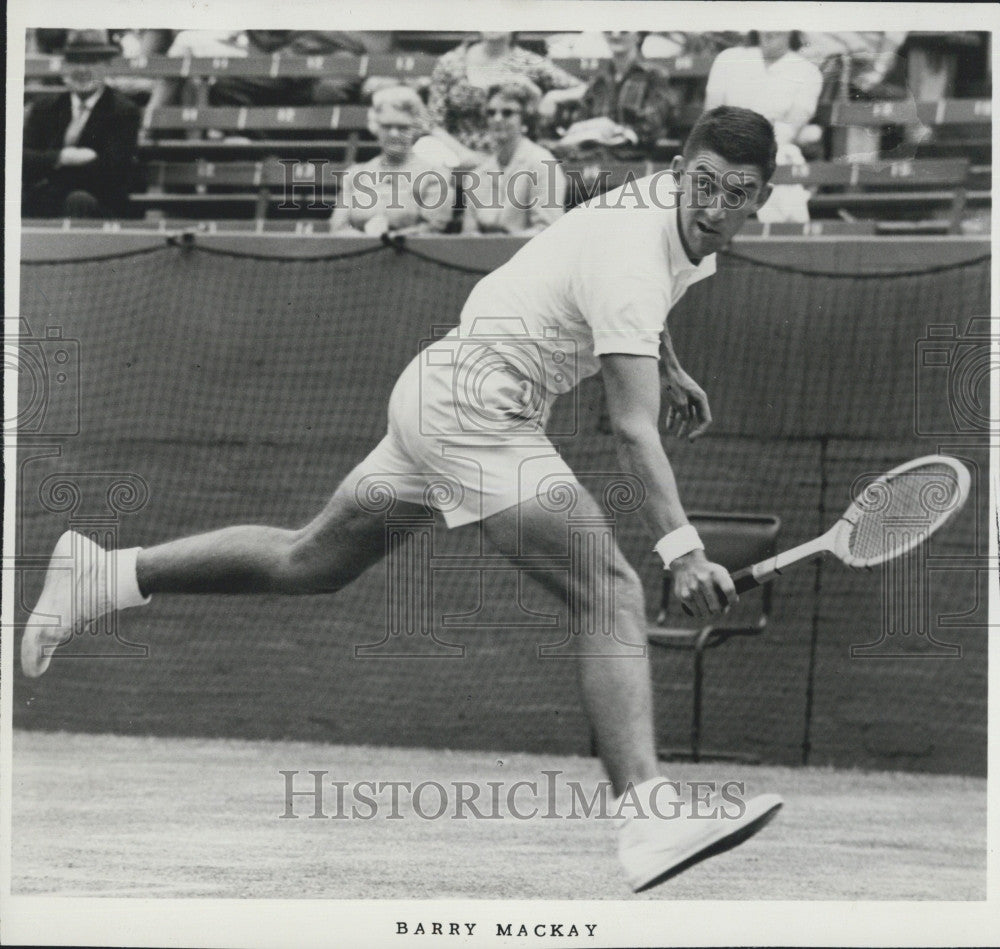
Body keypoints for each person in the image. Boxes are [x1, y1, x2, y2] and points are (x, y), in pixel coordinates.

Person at [22, 106, 783, 893]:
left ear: (761, 196)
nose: (716, 208)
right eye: (704, 186)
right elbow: (631, 424)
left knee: (309, 560)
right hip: (478, 408)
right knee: (612, 588)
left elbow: (635, 305)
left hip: (441, 391)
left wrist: (670, 362)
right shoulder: (637, 249)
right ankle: (647, 819)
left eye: (739, 193)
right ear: (676, 170)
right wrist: (683, 548)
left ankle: (104, 575)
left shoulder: (661, 222)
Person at [704, 31, 822, 223]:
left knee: (783, 156)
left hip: (772, 146)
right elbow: (712, 115)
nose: (769, 30)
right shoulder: (728, 59)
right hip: (724, 143)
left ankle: (779, 234)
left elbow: (789, 128)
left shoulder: (807, 71)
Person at [22, 30, 142, 219]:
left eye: (92, 62)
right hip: (48, 198)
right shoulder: (45, 107)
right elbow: (22, 158)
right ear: (64, 67)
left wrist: (46, 164)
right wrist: (63, 157)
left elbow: (113, 170)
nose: (83, 70)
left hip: (99, 202)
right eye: (75, 61)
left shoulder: (123, 111)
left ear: (106, 67)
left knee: (78, 201)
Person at [426, 32, 586, 168]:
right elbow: (433, 123)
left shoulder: (527, 62)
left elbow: (584, 89)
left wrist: (552, 96)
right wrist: (465, 155)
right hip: (460, 156)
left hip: (517, 158)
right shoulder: (451, 62)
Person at [330, 85, 452, 236]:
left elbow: (433, 229)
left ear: (416, 129)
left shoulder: (434, 176)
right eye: (386, 126)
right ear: (375, 127)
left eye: (403, 127)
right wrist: (367, 239)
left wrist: (388, 238)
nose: (394, 133)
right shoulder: (355, 175)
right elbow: (338, 228)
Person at [461, 82, 566, 236]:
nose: (497, 118)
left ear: (524, 120)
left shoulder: (542, 164)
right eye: (491, 113)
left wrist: (500, 242)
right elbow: (467, 236)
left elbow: (548, 231)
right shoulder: (476, 175)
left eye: (507, 113)